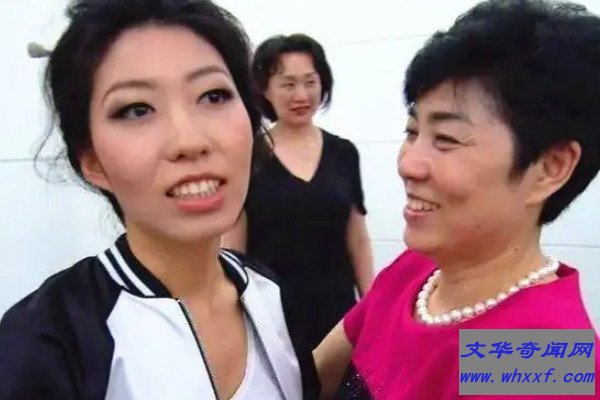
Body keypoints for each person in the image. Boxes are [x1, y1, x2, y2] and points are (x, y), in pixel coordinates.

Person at [0, 1, 320, 399]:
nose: (190, 141)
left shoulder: (271, 297)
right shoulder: (48, 341)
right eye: (137, 110)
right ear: (93, 161)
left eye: (214, 96)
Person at [314, 0, 600, 398]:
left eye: (446, 139)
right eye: (412, 131)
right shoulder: (416, 271)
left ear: (550, 168)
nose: (408, 165)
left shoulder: (540, 354)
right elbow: (309, 379)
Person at [223, 34, 374, 351]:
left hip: (338, 314)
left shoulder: (343, 153)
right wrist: (233, 318)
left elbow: (357, 238)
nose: (301, 95)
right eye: (288, 84)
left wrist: (372, 306)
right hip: (273, 316)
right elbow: (234, 249)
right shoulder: (247, 156)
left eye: (310, 82)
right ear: (265, 89)